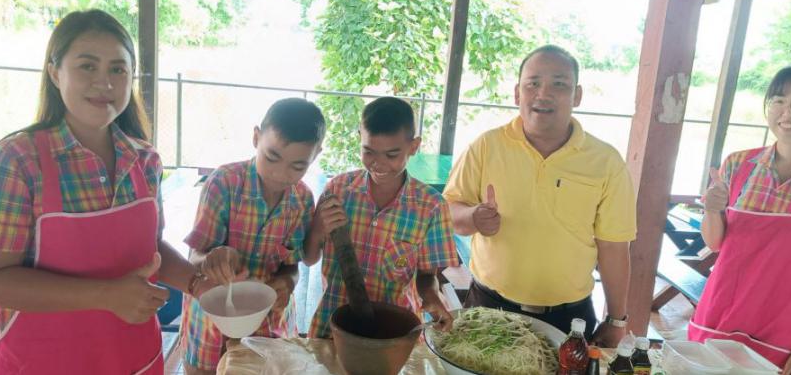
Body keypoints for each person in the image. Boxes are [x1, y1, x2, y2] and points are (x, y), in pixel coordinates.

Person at [0, 9, 209, 374]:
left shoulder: (144, 160)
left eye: (118, 69)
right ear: (54, 73)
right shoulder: (13, 162)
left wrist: (199, 284)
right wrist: (107, 296)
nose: (104, 83)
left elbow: (150, 247)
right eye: (87, 66)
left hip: (135, 359)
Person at [443, 45, 636, 347]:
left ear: (577, 95)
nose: (543, 94)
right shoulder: (486, 146)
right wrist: (473, 217)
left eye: (559, 84)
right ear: (517, 93)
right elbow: (449, 213)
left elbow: (614, 247)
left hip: (569, 320)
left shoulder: (605, 161)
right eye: (532, 83)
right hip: (489, 307)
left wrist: (616, 320)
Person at [689, 65, 791, 373]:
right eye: (778, 101)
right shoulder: (738, 165)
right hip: (718, 315)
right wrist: (712, 209)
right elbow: (715, 242)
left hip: (783, 334)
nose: (788, 111)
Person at [180, 98, 325, 374]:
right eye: (271, 157)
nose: (280, 174)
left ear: (316, 154)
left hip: (269, 322)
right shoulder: (224, 183)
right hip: (212, 317)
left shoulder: (302, 200)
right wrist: (211, 259)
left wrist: (287, 282)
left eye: (297, 166)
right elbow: (194, 256)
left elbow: (292, 267)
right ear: (256, 137)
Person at [305, 96, 460, 338]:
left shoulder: (431, 207)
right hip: (332, 326)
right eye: (368, 151)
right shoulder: (337, 190)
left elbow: (427, 276)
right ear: (360, 138)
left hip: (395, 334)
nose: (378, 164)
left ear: (414, 146)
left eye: (391, 154)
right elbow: (309, 258)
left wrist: (432, 298)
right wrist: (316, 230)